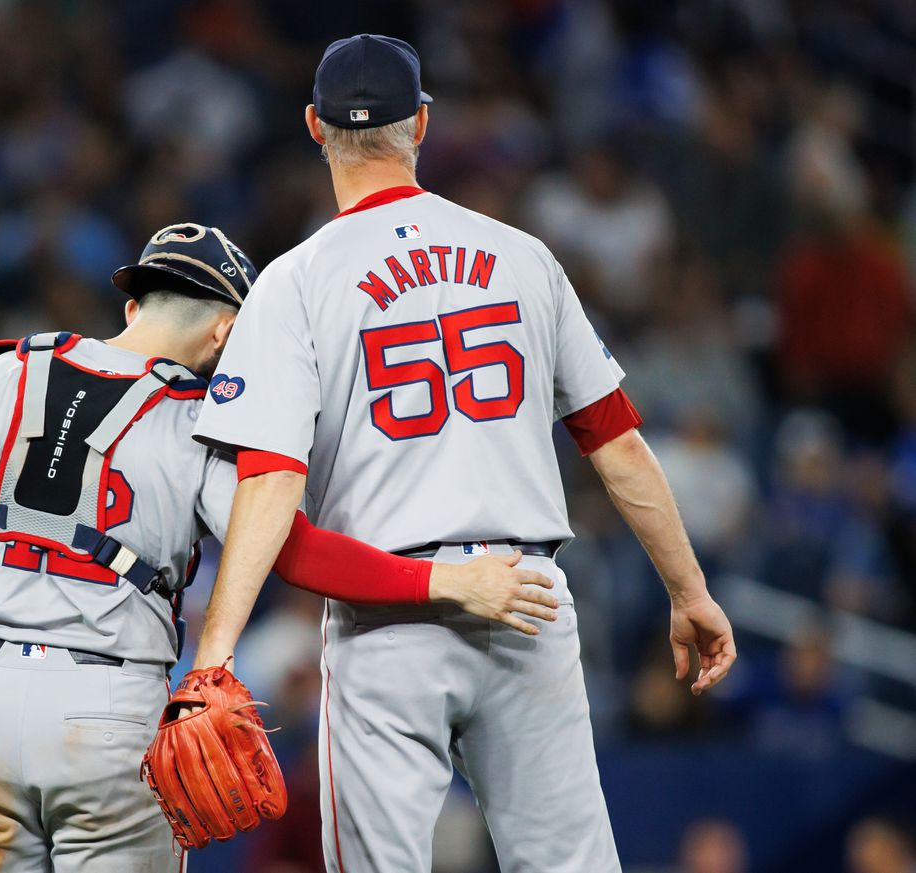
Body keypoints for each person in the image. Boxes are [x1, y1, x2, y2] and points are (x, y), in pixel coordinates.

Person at [0, 223, 548, 873]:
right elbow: (294, 553)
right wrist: (447, 581)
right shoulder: (201, 425)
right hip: (107, 712)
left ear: (133, 307)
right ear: (225, 332)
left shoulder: (2, 373)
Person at [186, 34, 738, 873]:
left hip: (388, 618)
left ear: (313, 126)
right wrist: (687, 588)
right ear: (422, 125)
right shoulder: (524, 256)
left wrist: (215, 651)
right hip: (528, 600)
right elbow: (617, 442)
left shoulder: (296, 281)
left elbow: (268, 482)